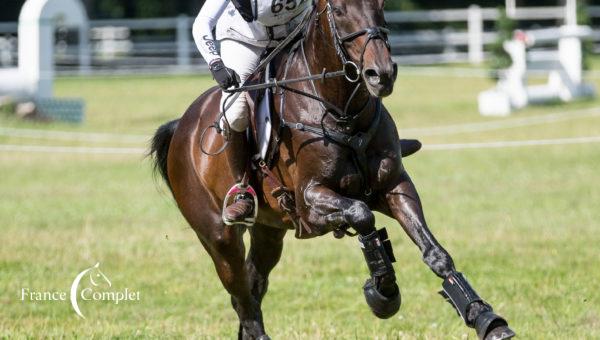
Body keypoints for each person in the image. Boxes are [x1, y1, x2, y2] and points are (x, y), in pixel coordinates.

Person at [193, 0, 312, 225]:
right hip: (245, 40)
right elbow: (202, 23)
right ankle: (242, 189)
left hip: (296, 33)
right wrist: (215, 63)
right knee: (235, 114)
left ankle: (376, 144)